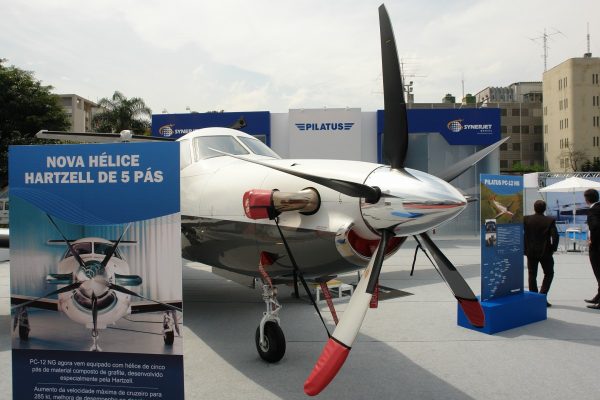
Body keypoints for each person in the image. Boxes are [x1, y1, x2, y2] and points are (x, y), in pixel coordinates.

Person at [524, 200, 559, 307]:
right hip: (546, 252)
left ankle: (534, 297)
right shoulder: (550, 220)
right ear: (544, 209)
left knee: (532, 274)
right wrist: (553, 249)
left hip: (531, 251)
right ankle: (542, 295)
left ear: (534, 208)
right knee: (549, 273)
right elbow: (555, 237)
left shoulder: (526, 219)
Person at [584, 188, 600, 309]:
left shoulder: (593, 211)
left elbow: (595, 226)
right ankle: (598, 296)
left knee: (598, 272)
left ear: (587, 199)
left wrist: (592, 241)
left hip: (597, 247)